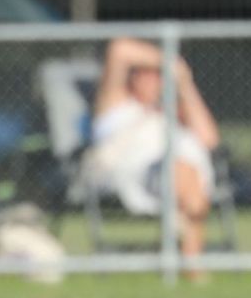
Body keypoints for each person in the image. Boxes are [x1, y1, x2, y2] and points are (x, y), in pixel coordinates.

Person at [83, 37, 220, 268]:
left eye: (159, 76)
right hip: (137, 174)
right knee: (183, 173)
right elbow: (120, 49)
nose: (154, 81)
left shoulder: (170, 112)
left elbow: (209, 140)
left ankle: (185, 255)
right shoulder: (115, 105)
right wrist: (174, 63)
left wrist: (185, 84)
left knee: (186, 171)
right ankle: (191, 263)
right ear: (132, 77)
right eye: (147, 74)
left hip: (185, 172)